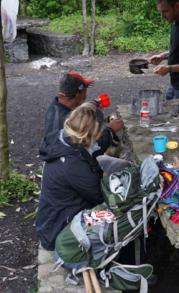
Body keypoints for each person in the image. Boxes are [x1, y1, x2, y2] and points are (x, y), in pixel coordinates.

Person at [36, 102, 130, 251]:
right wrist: (104, 178)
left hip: (55, 212)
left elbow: (94, 151)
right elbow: (101, 196)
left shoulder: (64, 136)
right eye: (101, 129)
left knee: (121, 165)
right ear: (96, 133)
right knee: (124, 211)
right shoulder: (73, 165)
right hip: (60, 231)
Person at [44, 72, 94, 137]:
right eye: (85, 91)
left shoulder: (54, 107)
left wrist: (94, 104)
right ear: (78, 96)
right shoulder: (67, 122)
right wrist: (110, 130)